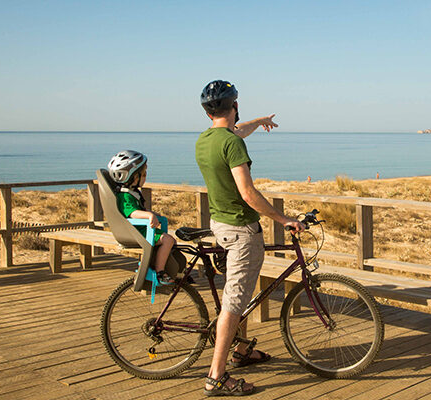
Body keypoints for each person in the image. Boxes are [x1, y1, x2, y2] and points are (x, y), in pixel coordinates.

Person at [195, 80, 304, 396]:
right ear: (234, 105)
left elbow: (235, 131)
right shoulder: (232, 145)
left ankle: (242, 351)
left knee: (239, 293)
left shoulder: (205, 140)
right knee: (233, 302)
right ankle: (216, 375)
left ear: (207, 111)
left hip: (221, 225)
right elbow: (247, 192)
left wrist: (260, 121)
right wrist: (283, 219)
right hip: (242, 231)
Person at [108, 150, 177, 284]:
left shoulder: (132, 193)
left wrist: (150, 213)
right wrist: (148, 215)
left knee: (171, 242)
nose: (145, 177)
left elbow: (137, 210)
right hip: (139, 232)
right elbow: (132, 213)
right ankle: (160, 272)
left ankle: (174, 270)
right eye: (143, 174)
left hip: (142, 230)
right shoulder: (125, 196)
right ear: (132, 177)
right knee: (167, 241)